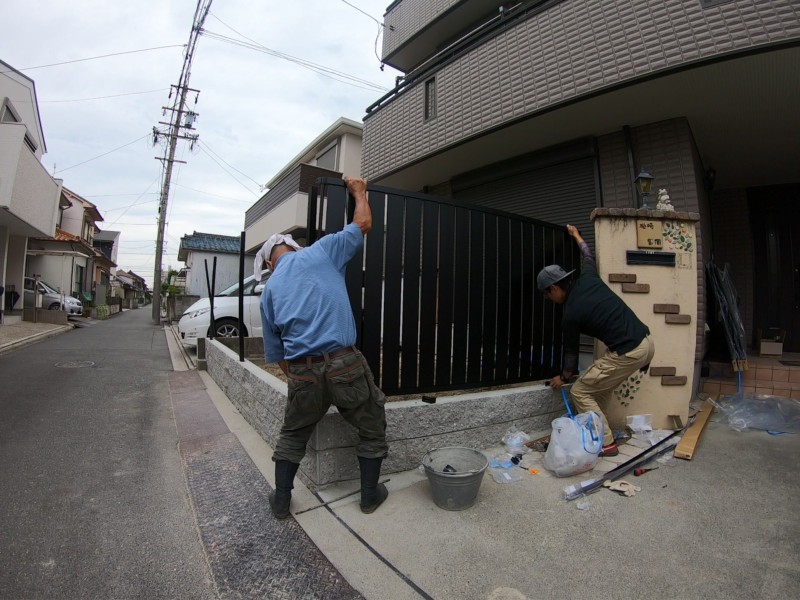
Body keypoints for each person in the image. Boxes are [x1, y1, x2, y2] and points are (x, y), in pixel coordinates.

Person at [257, 176, 388, 519]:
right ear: (292, 249)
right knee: (371, 424)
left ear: (270, 262)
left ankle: (282, 501)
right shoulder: (321, 252)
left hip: (302, 371)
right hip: (344, 362)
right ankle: (369, 495)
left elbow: (277, 355)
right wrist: (358, 191)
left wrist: (304, 378)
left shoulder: (268, 291)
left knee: (293, 434)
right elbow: (363, 223)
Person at [538, 224, 655, 456]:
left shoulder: (570, 314)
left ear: (554, 288)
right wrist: (576, 236)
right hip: (646, 343)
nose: (549, 299)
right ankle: (599, 431)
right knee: (599, 390)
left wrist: (563, 378)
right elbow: (587, 254)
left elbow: (571, 357)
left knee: (580, 391)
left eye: (547, 295)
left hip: (628, 351)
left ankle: (607, 444)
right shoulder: (588, 277)